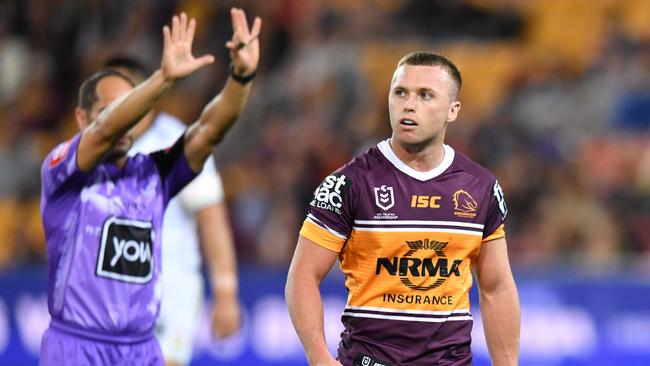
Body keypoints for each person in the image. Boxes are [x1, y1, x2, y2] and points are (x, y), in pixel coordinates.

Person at [39, 8, 260, 365]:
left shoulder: (154, 173)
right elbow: (104, 131)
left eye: (133, 107)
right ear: (82, 118)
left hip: (142, 348)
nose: (126, 119)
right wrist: (163, 78)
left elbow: (209, 130)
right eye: (114, 108)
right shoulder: (62, 171)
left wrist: (241, 77)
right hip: (77, 347)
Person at [286, 51, 520, 366]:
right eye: (400, 93)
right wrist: (318, 357)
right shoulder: (349, 184)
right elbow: (303, 275)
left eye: (425, 95)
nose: (409, 105)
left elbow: (496, 287)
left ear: (453, 110)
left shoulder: (480, 187)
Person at [103, 55, 242, 366]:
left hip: (166, 295)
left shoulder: (177, 141)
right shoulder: (97, 148)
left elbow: (211, 215)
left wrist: (225, 292)